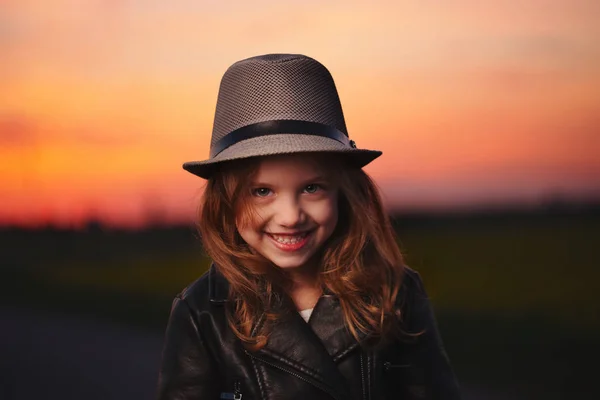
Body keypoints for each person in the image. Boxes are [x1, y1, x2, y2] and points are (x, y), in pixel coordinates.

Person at [156, 53, 461, 400]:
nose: (290, 216)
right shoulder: (201, 313)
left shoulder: (395, 291)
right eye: (261, 191)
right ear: (225, 203)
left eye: (312, 188)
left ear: (345, 193)